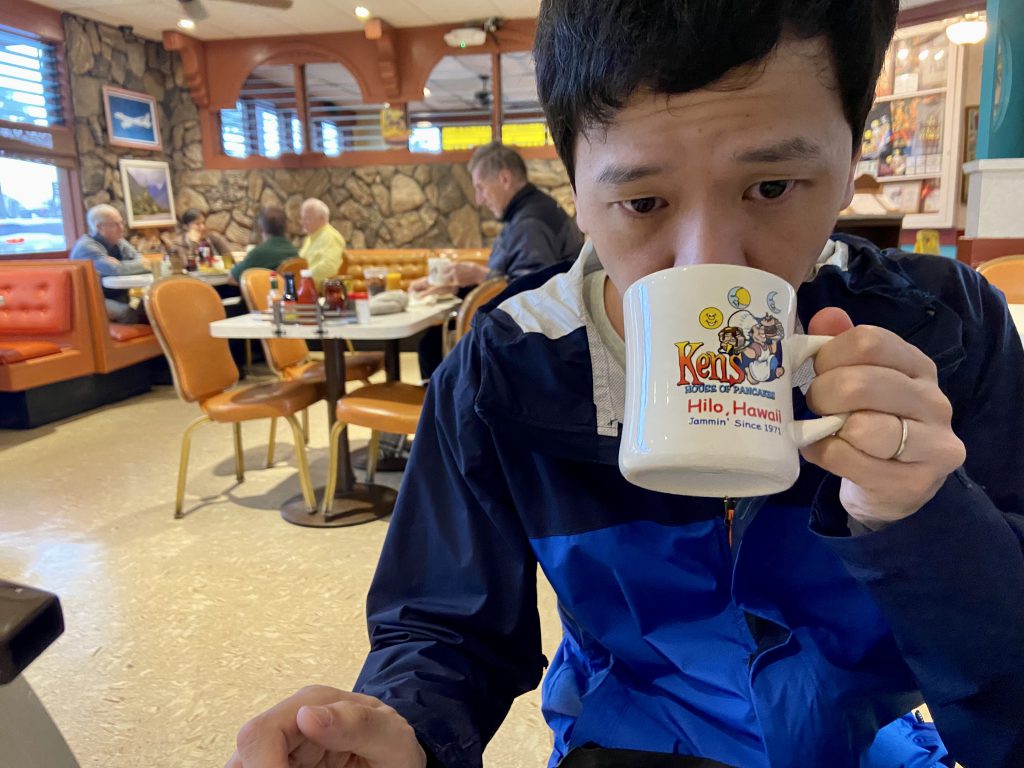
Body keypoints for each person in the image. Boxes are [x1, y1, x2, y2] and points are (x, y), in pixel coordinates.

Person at [229, 2, 1024, 767]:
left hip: (870, 745)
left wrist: (926, 517)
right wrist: (401, 733)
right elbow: (442, 631)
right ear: (576, 189)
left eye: (773, 187)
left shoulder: (941, 331)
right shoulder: (503, 369)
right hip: (627, 745)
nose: (708, 263)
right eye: (641, 202)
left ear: (850, 163)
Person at [413, 142, 585, 379]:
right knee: (431, 343)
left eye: (481, 188)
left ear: (504, 179)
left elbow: (533, 293)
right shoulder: (529, 212)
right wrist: (455, 285)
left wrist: (479, 275)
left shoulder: (529, 222)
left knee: (431, 347)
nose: (479, 199)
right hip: (552, 337)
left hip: (545, 348)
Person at [70, 204, 149, 323]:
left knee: (149, 306)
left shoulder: (118, 241)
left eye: (121, 223)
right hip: (90, 300)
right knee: (132, 313)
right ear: (99, 227)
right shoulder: (86, 247)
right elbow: (114, 269)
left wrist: (121, 264)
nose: (121, 228)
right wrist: (140, 265)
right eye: (115, 224)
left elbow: (139, 258)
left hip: (116, 295)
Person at [226, 207, 297, 286]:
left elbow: (231, 279)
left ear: (261, 228)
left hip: (265, 293)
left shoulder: (259, 253)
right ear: (285, 227)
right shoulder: (294, 252)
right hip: (289, 293)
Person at [298, 198, 344, 290]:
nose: (302, 222)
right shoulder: (309, 239)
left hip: (319, 293)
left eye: (307, 218)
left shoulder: (330, 237)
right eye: (302, 218)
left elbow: (329, 267)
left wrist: (302, 279)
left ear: (322, 218)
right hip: (305, 289)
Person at [171, 207, 233, 273]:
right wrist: (194, 243)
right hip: (190, 278)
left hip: (212, 276)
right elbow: (186, 267)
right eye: (197, 224)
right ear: (186, 227)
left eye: (203, 223)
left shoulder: (212, 238)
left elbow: (230, 260)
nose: (203, 227)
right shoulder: (178, 244)